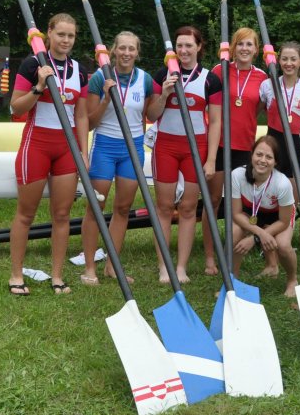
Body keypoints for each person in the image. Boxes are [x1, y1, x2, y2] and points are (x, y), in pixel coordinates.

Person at [7, 13, 89, 296]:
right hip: (37, 144)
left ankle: (57, 276)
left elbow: (81, 114)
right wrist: (39, 87)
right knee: (26, 213)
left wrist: (83, 152)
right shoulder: (33, 64)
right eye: (61, 34)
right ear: (49, 34)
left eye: (71, 35)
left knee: (62, 214)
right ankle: (16, 275)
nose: (66, 40)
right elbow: (16, 107)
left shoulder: (80, 70)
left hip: (67, 148)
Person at [147, 26, 222, 283]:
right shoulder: (163, 74)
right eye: (179, 45)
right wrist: (165, 94)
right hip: (166, 147)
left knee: (189, 208)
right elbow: (152, 115)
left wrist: (211, 160)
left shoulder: (210, 79)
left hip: (195, 148)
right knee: (164, 207)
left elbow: (215, 122)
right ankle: (164, 267)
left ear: (199, 47)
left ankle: (181, 267)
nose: (184, 50)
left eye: (189, 45)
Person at [79, 31, 155, 286]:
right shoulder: (100, 77)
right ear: (113, 50)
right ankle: (90, 267)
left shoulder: (144, 79)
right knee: (96, 207)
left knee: (123, 208)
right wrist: (105, 100)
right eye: (122, 48)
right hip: (105, 146)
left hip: (132, 148)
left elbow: (146, 116)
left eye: (131, 49)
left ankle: (112, 266)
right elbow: (90, 122)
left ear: (137, 52)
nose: (126, 53)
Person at [202, 27, 267, 275]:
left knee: (239, 204)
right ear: (232, 48)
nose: (244, 49)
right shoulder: (220, 70)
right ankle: (210, 257)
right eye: (240, 44)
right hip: (218, 146)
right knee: (213, 201)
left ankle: (232, 252)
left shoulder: (262, 77)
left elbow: (258, 109)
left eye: (249, 44)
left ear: (256, 49)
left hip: (244, 147)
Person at [258, 40, 300, 276]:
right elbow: (263, 110)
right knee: (267, 201)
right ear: (278, 60)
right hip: (273, 144)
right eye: (284, 59)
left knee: (291, 203)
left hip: (297, 147)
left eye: (293, 59)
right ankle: (271, 264)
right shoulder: (267, 85)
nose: (289, 63)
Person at [229, 136, 298, 297]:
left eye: (269, 157)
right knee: (234, 234)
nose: (262, 160)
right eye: (259, 154)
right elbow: (236, 214)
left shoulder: (282, 183)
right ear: (251, 154)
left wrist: (254, 239)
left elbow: (283, 221)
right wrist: (259, 233)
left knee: (283, 245)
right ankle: (232, 282)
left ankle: (292, 280)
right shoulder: (237, 175)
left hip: (278, 217)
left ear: (275, 162)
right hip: (251, 213)